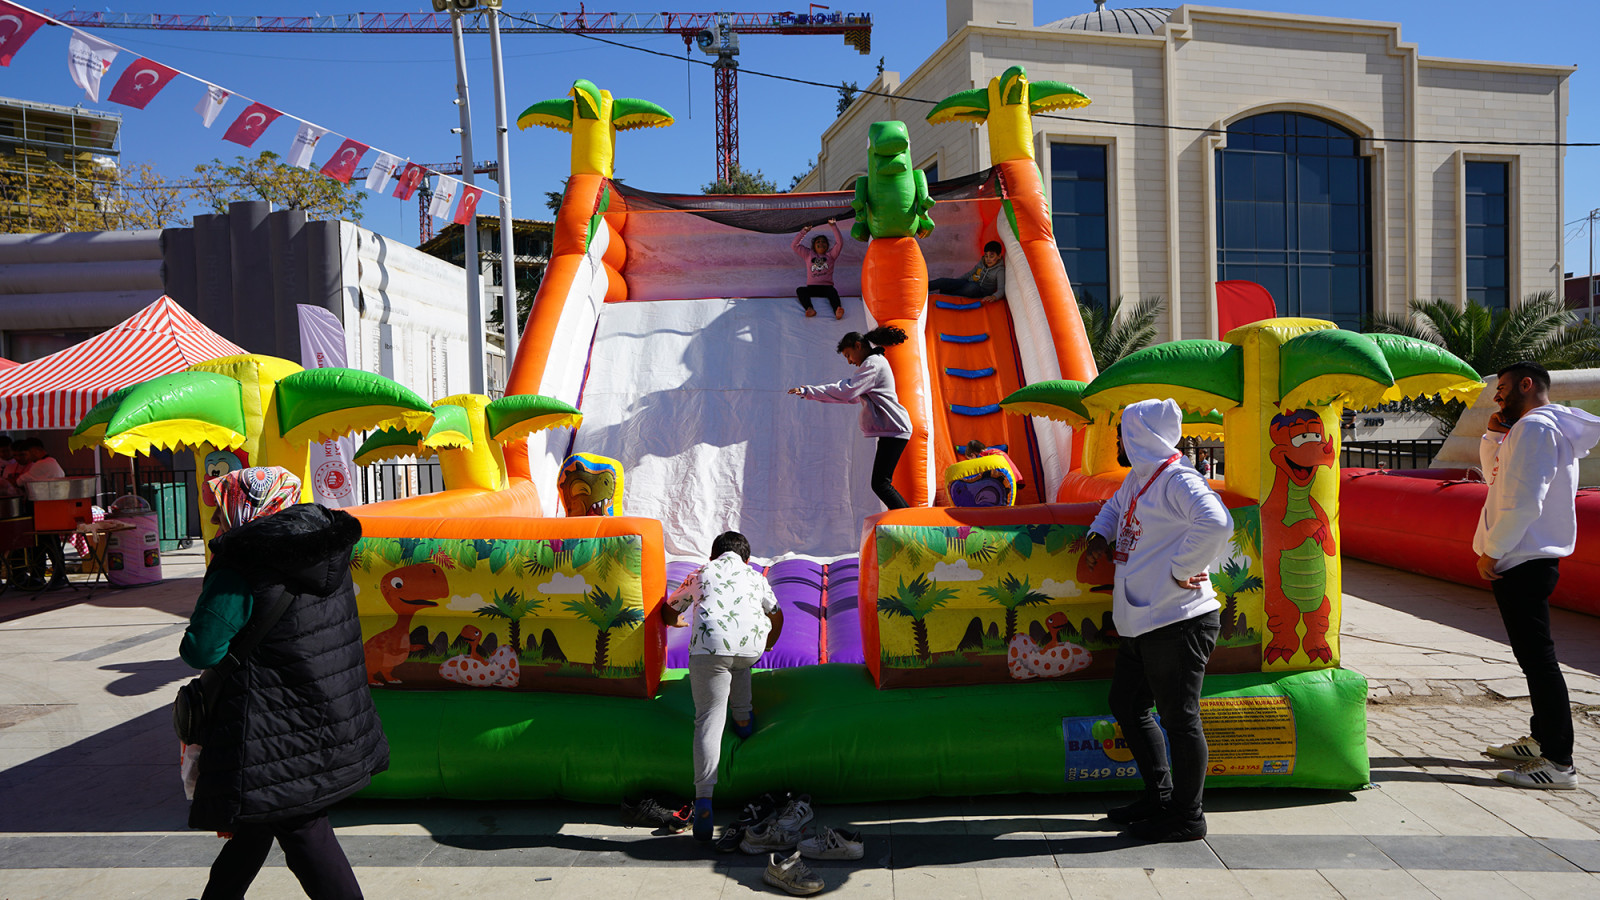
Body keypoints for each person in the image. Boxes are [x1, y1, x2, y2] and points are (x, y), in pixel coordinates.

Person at [181, 467, 389, 900]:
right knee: (258, 818)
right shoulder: (325, 549)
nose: (216, 521)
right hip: (324, 708)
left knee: (299, 824)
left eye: (221, 509)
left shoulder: (241, 564)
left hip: (268, 724)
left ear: (247, 507)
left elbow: (202, 650)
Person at [1082, 399, 1233, 842]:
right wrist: (1098, 534)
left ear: (1139, 436)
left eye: (1121, 433)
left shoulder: (1177, 479)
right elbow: (1114, 509)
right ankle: (1160, 798)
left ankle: (1187, 817)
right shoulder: (1140, 477)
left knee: (1180, 719)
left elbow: (1216, 522)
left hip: (1177, 620)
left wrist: (1183, 568)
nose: (1116, 442)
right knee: (1127, 703)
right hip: (1143, 619)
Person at [1474, 362, 1600, 790]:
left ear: (1526, 385)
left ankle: (1560, 763)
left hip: (1522, 558)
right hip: (1527, 556)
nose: (1497, 397)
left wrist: (1493, 551)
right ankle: (1541, 741)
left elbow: (1525, 501)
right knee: (1533, 660)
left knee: (1540, 661)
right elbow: (1496, 478)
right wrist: (1493, 436)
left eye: (1502, 388)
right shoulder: (1534, 429)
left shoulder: (1536, 429)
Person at [661, 530, 784, 841]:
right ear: (747, 559)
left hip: (710, 649)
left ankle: (704, 798)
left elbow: (669, 609)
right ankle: (743, 719)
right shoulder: (755, 576)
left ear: (712, 556)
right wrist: (769, 643)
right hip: (749, 648)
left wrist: (676, 621)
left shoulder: (701, 572)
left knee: (709, 717)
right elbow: (777, 614)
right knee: (739, 664)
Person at [788, 327, 914, 511]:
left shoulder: (873, 364)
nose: (849, 361)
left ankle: (909, 520)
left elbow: (848, 391)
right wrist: (811, 393)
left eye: (848, 355)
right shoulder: (874, 363)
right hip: (892, 429)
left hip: (895, 428)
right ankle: (908, 518)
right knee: (881, 482)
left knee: (880, 483)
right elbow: (851, 395)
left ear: (858, 346)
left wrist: (809, 391)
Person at [12, 438, 68, 589]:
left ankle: (53, 576)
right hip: (50, 508)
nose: (29, 457)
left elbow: (20, 481)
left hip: (43, 508)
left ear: (35, 450)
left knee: (45, 543)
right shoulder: (52, 462)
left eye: (29, 453)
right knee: (47, 543)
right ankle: (47, 575)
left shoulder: (43, 464)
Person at [792, 219, 845, 320]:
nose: (821, 243)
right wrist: (804, 231)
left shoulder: (831, 256)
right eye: (818, 242)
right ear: (814, 246)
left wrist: (833, 226)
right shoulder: (808, 255)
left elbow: (839, 243)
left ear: (827, 246)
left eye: (824, 242)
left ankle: (837, 310)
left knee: (833, 293)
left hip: (827, 288)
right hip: (812, 288)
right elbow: (794, 245)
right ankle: (809, 309)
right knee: (800, 290)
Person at [929, 240, 1006, 303]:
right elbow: (970, 273)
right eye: (986, 256)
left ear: (999, 256)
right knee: (943, 281)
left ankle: (948, 293)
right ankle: (924, 288)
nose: (988, 259)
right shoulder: (982, 262)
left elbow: (1001, 289)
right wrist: (956, 282)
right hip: (968, 283)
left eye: (991, 256)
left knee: (972, 287)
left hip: (980, 291)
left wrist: (994, 296)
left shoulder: (999, 270)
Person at [961, 439, 1025, 493]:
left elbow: (976, 475)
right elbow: (1004, 447)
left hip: (1007, 481)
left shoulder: (981, 456)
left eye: (970, 460)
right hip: (1016, 479)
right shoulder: (993, 450)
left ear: (973, 455)